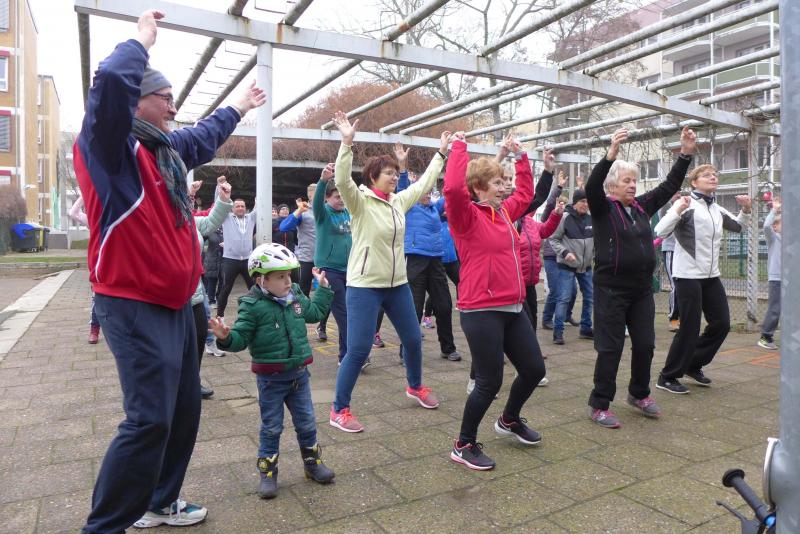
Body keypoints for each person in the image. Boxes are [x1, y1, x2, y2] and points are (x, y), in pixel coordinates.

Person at [74, 10, 265, 532]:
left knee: (183, 412)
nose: (174, 106)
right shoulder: (108, 149)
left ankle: (161, 500)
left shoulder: (164, 150)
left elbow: (202, 136)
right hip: (134, 303)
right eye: (164, 96)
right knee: (148, 421)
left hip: (181, 304)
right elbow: (109, 83)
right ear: (136, 99)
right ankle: (104, 526)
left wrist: (239, 107)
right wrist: (142, 40)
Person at [328, 111, 447, 433]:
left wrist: (441, 153)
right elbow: (342, 180)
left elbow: (424, 184)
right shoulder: (359, 202)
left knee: (413, 339)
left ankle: (415, 386)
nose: (394, 177)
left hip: (397, 285)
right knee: (358, 349)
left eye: (396, 173)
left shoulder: (398, 202)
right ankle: (339, 409)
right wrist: (346, 144)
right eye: (389, 173)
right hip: (364, 286)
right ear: (372, 177)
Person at [445, 133, 548, 471]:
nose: (504, 188)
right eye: (496, 183)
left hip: (513, 306)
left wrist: (521, 159)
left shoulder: (504, 213)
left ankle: (509, 419)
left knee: (534, 370)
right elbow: (452, 190)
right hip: (481, 309)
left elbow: (526, 195)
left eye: (504, 182)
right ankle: (464, 444)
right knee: (489, 382)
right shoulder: (466, 217)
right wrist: (458, 148)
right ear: (478, 188)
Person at [585, 127, 696, 429]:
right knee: (610, 349)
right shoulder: (602, 208)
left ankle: (639, 394)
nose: (633, 185)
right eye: (627, 181)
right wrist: (610, 155)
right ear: (613, 185)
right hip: (611, 290)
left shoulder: (641, 207)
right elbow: (592, 184)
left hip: (641, 290)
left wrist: (685, 154)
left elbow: (669, 185)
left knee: (645, 344)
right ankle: (599, 404)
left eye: (634, 181)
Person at [210, 243, 335, 499]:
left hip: (299, 376)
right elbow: (240, 338)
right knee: (271, 427)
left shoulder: (295, 295)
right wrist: (226, 337)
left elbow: (314, 313)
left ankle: (312, 464)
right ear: (261, 279)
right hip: (271, 380)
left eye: (289, 275)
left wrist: (323, 290)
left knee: (307, 422)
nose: (288, 281)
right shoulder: (252, 305)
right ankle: (268, 472)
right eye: (280, 277)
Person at [654, 166, 751, 394]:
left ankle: (692, 363)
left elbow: (738, 227)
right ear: (694, 182)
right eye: (707, 175)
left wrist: (746, 209)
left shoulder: (715, 208)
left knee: (721, 324)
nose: (713, 177)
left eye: (715, 174)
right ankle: (667, 376)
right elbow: (660, 231)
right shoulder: (686, 205)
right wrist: (677, 210)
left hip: (711, 276)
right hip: (687, 276)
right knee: (689, 327)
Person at [394, 142, 460, 362]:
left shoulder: (435, 208)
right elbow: (403, 189)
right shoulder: (409, 206)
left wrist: (454, 160)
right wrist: (402, 165)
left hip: (436, 261)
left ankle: (448, 348)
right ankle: (406, 352)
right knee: (413, 308)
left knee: (444, 305)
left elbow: (450, 192)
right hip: (415, 261)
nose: (427, 194)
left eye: (430, 191)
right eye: (424, 191)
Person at [190, 181, 234, 399]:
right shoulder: (155, 220)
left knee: (199, 336)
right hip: (164, 297)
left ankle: (192, 383)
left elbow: (209, 222)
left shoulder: (189, 220)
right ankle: (170, 387)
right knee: (171, 345)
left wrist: (223, 199)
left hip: (194, 294)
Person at [312, 162, 352, 363]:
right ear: (328, 198)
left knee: (350, 313)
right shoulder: (323, 213)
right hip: (329, 270)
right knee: (343, 313)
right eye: (337, 196)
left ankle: (346, 356)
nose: (341, 199)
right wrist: (323, 181)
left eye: (342, 196)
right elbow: (316, 204)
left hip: (350, 269)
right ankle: (353, 354)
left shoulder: (347, 213)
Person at [518, 169, 565, 330]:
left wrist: (556, 214)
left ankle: (531, 344)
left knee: (532, 316)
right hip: (516, 283)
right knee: (522, 320)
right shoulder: (509, 222)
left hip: (531, 282)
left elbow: (545, 230)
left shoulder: (530, 222)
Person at [548, 188, 595, 344]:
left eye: (588, 202)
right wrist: (565, 252)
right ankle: (558, 332)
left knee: (590, 297)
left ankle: (586, 328)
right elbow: (553, 239)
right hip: (567, 266)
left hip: (586, 267)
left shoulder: (591, 219)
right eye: (582, 201)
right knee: (564, 298)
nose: (586, 204)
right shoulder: (564, 218)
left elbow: (596, 241)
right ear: (575, 203)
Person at [216, 197, 258, 318]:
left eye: (242, 206)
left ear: (246, 208)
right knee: (226, 288)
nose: (240, 208)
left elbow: (258, 208)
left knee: (254, 287)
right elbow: (218, 205)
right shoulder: (226, 217)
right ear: (232, 209)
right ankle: (220, 316)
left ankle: (257, 313)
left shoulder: (251, 218)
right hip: (230, 260)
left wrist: (257, 201)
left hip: (247, 260)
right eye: (237, 206)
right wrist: (221, 191)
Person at [68, 196, 100, 345]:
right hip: (98, 261)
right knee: (97, 296)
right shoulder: (93, 219)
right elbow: (73, 213)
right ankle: (94, 330)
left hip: (118, 259)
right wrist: (84, 195)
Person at [758, 199, 781, 350]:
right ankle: (765, 336)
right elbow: (766, 225)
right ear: (775, 227)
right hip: (777, 279)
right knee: (775, 308)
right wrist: (774, 210)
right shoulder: (773, 238)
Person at [659, 193, 681, 332]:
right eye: (674, 193)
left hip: (684, 251)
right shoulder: (665, 207)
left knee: (685, 286)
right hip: (671, 250)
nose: (678, 195)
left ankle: (684, 318)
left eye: (679, 192)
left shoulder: (685, 205)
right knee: (676, 286)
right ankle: (673, 319)